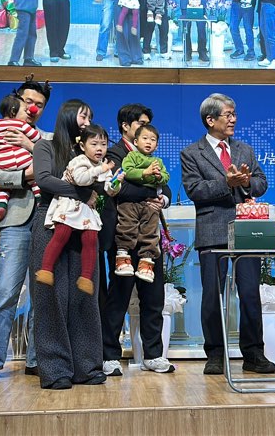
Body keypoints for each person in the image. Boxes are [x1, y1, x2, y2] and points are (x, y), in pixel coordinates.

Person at [180, 93, 275, 375]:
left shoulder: (245, 149)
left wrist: (246, 182)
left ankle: (254, 353)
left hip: (247, 230)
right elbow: (195, 190)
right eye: (228, 115)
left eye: (235, 114)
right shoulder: (191, 153)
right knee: (212, 295)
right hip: (212, 230)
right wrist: (226, 182)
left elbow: (261, 183)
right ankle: (215, 354)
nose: (234, 119)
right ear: (210, 120)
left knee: (250, 293)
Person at [0, 77, 51, 383]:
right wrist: (22, 176)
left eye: (39, 105)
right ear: (17, 100)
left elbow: (61, 167)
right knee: (5, 290)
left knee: (42, 292)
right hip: (15, 220)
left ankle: (36, 358)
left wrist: (32, 148)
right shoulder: (3, 130)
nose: (33, 108)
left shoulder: (45, 138)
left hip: (47, 219)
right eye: (28, 101)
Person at [30, 99, 107, 389]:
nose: (87, 123)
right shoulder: (46, 146)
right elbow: (44, 180)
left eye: (90, 117)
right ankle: (55, 369)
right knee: (51, 296)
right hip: (51, 219)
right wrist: (81, 192)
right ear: (68, 116)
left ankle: (87, 366)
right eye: (83, 117)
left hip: (84, 222)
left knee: (85, 294)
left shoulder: (89, 151)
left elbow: (101, 185)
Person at [100, 104, 173, 377]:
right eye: (141, 124)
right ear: (125, 126)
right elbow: (122, 189)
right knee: (119, 297)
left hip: (149, 236)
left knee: (153, 297)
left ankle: (153, 355)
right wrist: (151, 190)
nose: (146, 132)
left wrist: (162, 198)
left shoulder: (152, 156)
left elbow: (166, 186)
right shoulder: (114, 154)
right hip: (124, 235)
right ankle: (109, 355)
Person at [36, 124, 122, 296]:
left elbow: (108, 190)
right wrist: (100, 169)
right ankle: (46, 270)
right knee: (62, 234)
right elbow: (80, 179)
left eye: (103, 144)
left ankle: (86, 278)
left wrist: (116, 182)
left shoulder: (103, 165)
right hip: (70, 204)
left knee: (91, 239)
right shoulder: (79, 160)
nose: (99, 149)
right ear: (82, 146)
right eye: (94, 144)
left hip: (87, 208)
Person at [113, 124, 169, 283]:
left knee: (150, 231)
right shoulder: (131, 156)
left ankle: (146, 262)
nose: (149, 142)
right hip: (130, 203)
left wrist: (159, 177)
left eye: (153, 140)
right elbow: (127, 171)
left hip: (149, 206)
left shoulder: (158, 161)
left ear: (157, 145)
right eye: (145, 138)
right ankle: (122, 257)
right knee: (126, 226)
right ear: (136, 141)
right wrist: (145, 172)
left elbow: (166, 178)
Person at [0, 93, 42, 221]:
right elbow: (37, 137)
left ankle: (1, 205)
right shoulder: (21, 124)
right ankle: (40, 199)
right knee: (34, 181)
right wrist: (24, 175)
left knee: (3, 189)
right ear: (13, 111)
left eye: (39, 105)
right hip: (23, 160)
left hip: (4, 163)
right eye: (25, 108)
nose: (30, 111)